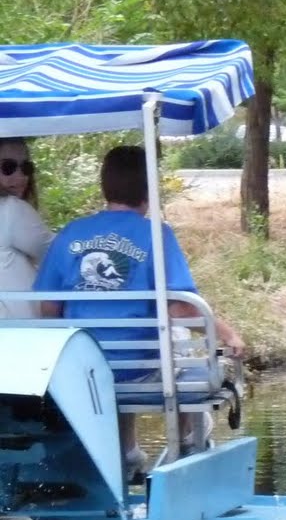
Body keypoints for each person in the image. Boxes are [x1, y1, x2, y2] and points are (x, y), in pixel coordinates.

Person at [34, 145, 246, 468]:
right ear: (149, 189)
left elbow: (48, 308)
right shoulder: (156, 236)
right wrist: (229, 334)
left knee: (113, 362)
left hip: (83, 369)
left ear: (105, 185)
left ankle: (125, 454)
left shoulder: (71, 233)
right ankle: (191, 439)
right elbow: (180, 309)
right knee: (178, 354)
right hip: (139, 370)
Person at [0, 138, 51, 318]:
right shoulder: (11, 208)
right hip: (17, 333)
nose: (21, 177)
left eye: (26, 167)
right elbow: (55, 254)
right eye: (8, 167)